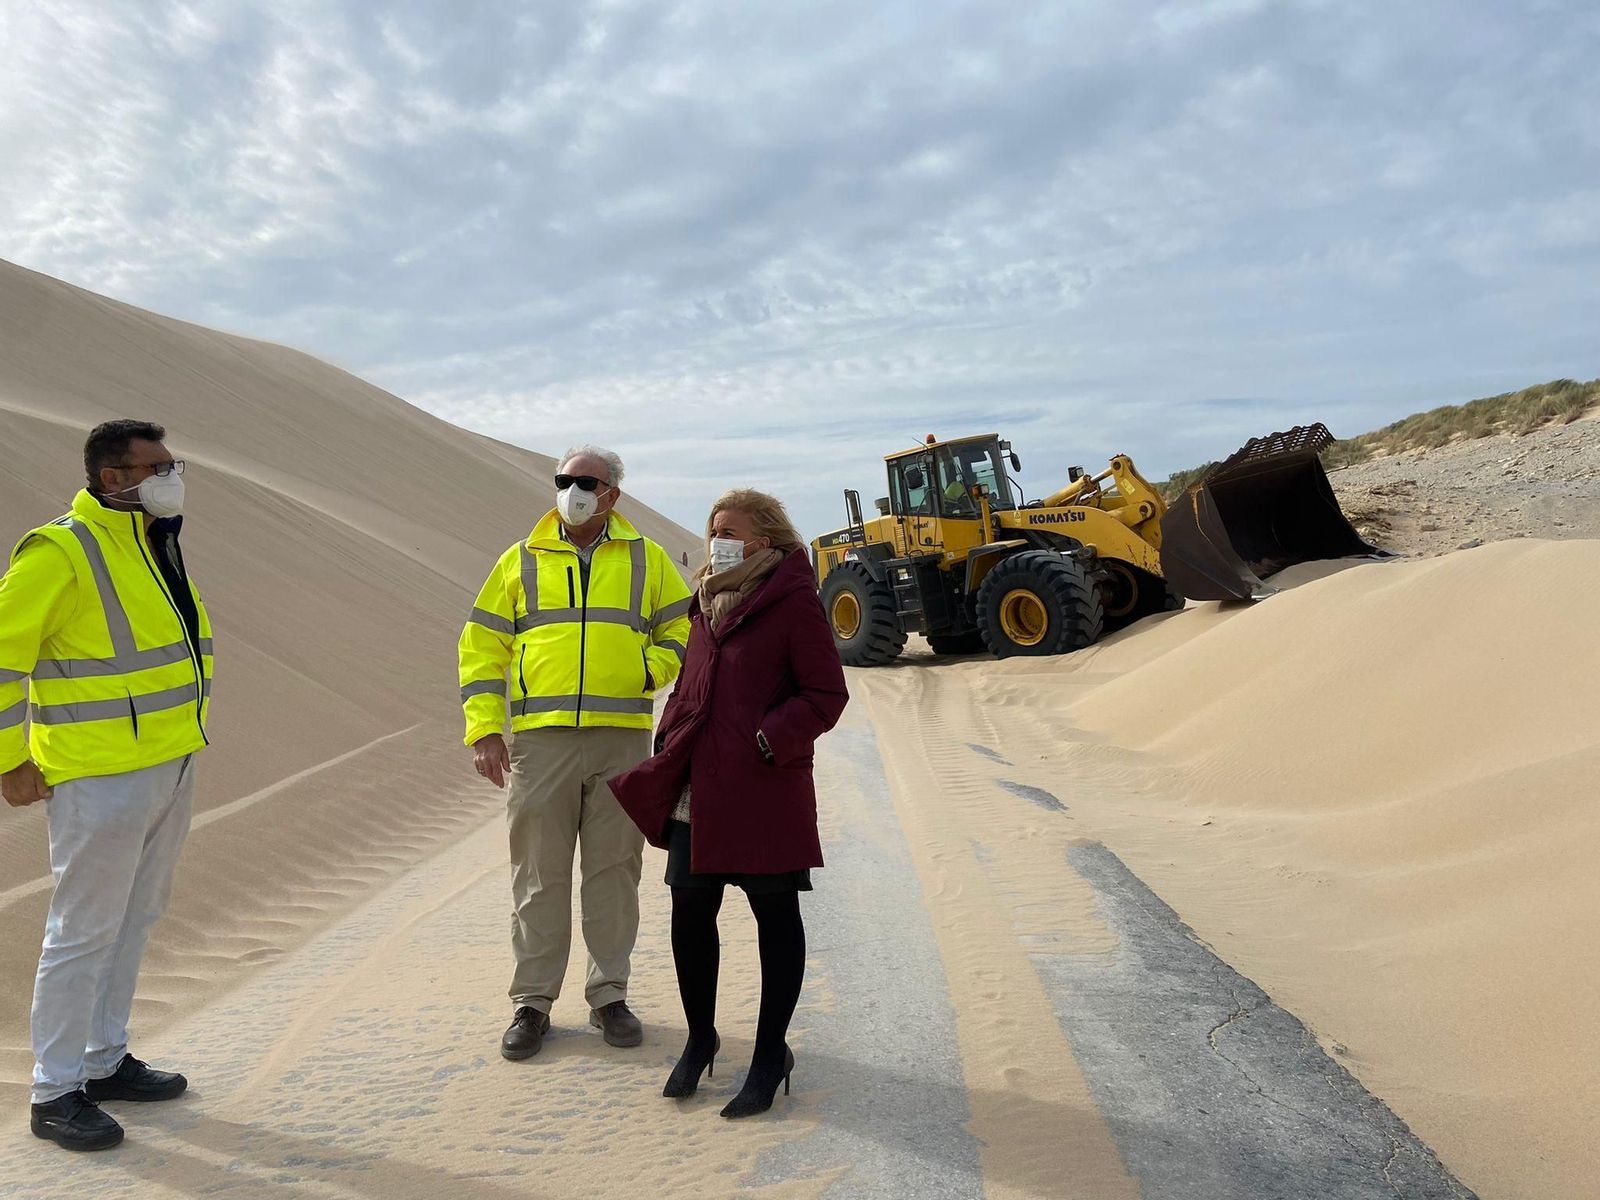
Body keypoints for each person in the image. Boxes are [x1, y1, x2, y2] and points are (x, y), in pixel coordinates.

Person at [0, 420, 214, 1152]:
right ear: (113, 477)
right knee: (82, 930)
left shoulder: (152, 541)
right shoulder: (60, 549)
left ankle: (104, 1060)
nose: (171, 474)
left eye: (172, 463)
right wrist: (8, 759)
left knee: (137, 916)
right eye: (156, 466)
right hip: (99, 773)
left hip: (171, 759)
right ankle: (55, 1092)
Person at [609, 489, 849, 1119]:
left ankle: (771, 1052)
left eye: (730, 530)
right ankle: (700, 1037)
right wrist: (671, 736)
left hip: (765, 784)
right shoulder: (704, 600)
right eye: (714, 528)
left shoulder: (794, 600)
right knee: (690, 911)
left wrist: (770, 736)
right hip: (699, 788)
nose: (718, 539)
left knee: (774, 916)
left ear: (765, 539)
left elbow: (827, 693)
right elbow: (695, 681)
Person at [459, 445, 692, 1060]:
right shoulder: (520, 558)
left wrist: (650, 666)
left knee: (614, 872)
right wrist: (484, 728)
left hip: (622, 739)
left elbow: (683, 627)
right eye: (562, 480)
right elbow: (482, 646)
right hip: (541, 742)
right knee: (537, 875)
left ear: (612, 493)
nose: (571, 490)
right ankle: (532, 1004)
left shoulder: (647, 558)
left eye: (585, 481)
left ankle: (609, 995)